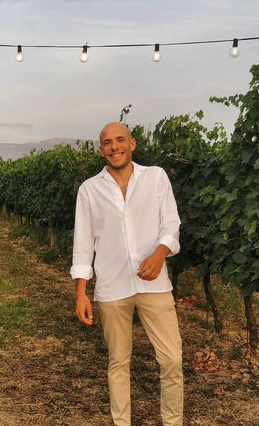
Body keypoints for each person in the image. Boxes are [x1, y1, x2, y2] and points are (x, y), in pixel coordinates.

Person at [70, 122, 183, 426]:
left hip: (155, 285)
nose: (114, 147)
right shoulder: (89, 190)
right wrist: (81, 292)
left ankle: (173, 422)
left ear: (132, 144)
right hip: (112, 287)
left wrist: (160, 253)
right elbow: (83, 244)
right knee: (118, 363)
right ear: (101, 150)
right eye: (107, 142)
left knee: (172, 360)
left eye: (120, 140)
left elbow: (171, 223)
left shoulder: (155, 177)